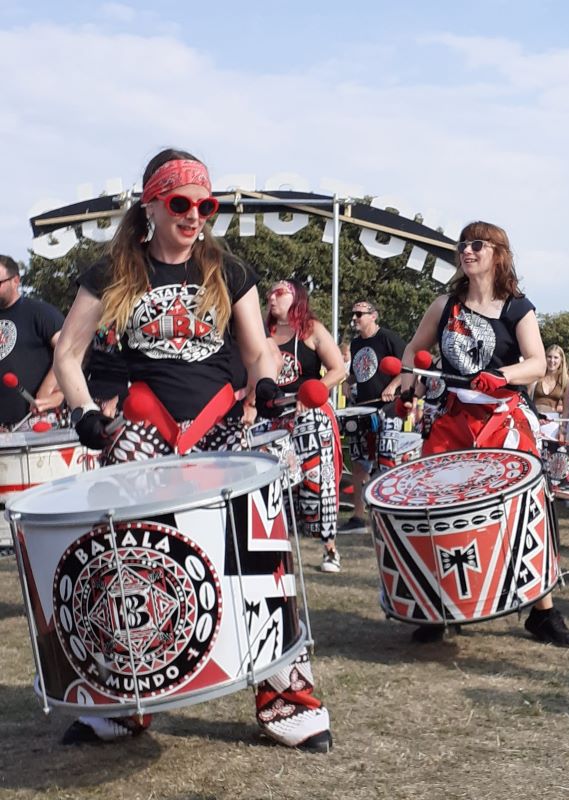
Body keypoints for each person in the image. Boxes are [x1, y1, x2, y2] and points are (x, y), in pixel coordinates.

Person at [53, 148, 331, 752]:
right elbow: (68, 354)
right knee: (128, 561)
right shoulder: (111, 272)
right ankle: (126, 702)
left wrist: (265, 381)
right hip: (143, 430)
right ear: (151, 203)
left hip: (220, 429)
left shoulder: (228, 269)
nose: (194, 215)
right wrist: (81, 413)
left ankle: (285, 693)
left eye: (205, 205)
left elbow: (258, 349)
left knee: (258, 555)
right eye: (181, 203)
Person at [399, 220, 569, 647]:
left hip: (504, 418)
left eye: (477, 244)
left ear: (498, 253)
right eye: (463, 245)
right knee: (436, 508)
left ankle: (542, 611)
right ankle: (438, 606)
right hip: (452, 417)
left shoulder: (517, 306)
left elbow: (535, 362)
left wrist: (500, 375)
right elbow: (412, 351)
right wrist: (409, 383)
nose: (468, 251)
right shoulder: (444, 304)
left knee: (526, 508)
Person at [264, 278, 346, 572]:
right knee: (277, 485)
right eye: (270, 293)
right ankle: (280, 552)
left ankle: (330, 550)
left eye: (280, 293)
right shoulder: (262, 332)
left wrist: (312, 392)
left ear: (296, 297)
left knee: (319, 481)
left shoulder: (311, 329)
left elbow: (338, 370)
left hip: (311, 414)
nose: (272, 298)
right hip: (273, 417)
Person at [340, 300, 406, 533]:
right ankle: (359, 517)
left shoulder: (389, 338)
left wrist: (394, 386)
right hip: (361, 409)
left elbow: (406, 368)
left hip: (387, 409)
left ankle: (388, 516)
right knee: (359, 463)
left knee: (385, 461)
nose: (355, 317)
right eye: (353, 313)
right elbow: (360, 372)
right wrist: (348, 382)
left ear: (373, 316)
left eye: (360, 314)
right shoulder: (357, 344)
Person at [0, 255, 65, 430]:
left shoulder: (39, 312)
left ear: (16, 280)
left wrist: (48, 388)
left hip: (35, 419)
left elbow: (68, 352)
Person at [530, 345, 569, 439]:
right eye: (549, 357)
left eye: (556, 357)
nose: (552, 360)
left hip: (552, 422)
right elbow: (527, 398)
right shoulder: (536, 377)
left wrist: (562, 428)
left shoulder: (565, 381)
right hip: (534, 417)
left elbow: (566, 409)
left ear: (561, 360)